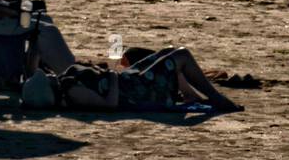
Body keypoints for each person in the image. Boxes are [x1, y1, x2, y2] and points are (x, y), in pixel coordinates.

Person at [22, 48, 243, 114]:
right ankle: (216, 98)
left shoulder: (65, 83)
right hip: (140, 90)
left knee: (167, 51)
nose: (49, 74)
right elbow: (110, 104)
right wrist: (111, 76)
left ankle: (192, 94)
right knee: (181, 56)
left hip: (132, 81)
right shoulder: (72, 91)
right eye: (46, 78)